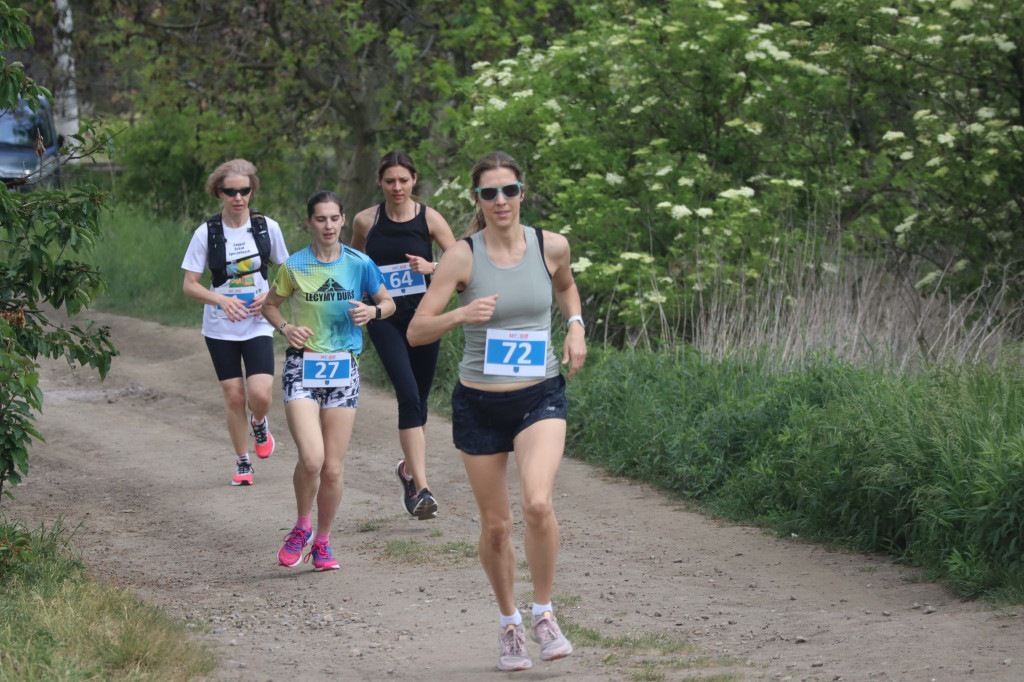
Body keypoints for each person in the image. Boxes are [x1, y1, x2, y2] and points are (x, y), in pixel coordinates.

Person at [407, 152, 587, 670]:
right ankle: (509, 623)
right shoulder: (462, 257)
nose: (500, 201)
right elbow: (418, 329)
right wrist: (462, 313)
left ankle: (544, 613)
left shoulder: (550, 245)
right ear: (477, 200)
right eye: (489, 194)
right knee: (497, 526)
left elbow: (567, 287)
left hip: (540, 393)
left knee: (536, 504)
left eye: (509, 191)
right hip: (479, 402)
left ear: (522, 192)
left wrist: (575, 326)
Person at [261, 190, 396, 572]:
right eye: (320, 219)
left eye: (335, 218)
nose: (329, 226)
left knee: (333, 468)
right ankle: (301, 527)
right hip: (303, 366)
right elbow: (270, 305)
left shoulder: (360, 263)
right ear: (309, 223)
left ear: (342, 219)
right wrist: (286, 328)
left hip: (343, 369)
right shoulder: (294, 266)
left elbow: (389, 302)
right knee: (312, 457)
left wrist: (373, 310)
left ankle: (323, 541)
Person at [350, 150, 456, 520]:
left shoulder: (429, 218)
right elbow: (355, 265)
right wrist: (359, 304)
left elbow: (462, 266)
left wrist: (433, 266)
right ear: (380, 182)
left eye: (404, 180)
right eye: (390, 180)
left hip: (424, 318)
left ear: (414, 180)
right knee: (408, 395)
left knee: (421, 401)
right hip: (385, 319)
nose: (397, 187)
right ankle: (420, 488)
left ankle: (407, 469)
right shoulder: (366, 221)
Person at [181, 158, 289, 487]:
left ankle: (260, 422)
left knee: (260, 394)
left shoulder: (266, 227)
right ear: (219, 193)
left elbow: (288, 273)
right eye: (231, 192)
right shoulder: (207, 232)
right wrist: (221, 300)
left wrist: (269, 296)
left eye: (245, 191)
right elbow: (190, 284)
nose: (239, 198)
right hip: (220, 325)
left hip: (257, 321)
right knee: (234, 396)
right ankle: (243, 461)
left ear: (252, 191)